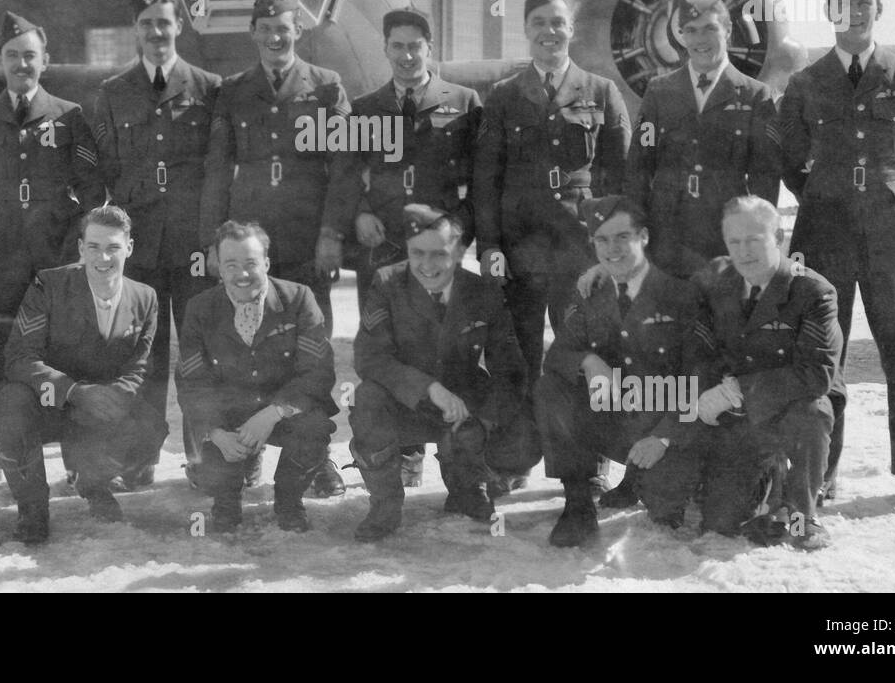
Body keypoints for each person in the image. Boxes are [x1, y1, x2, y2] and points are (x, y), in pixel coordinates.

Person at [777, 0, 895, 516]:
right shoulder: (804, 83)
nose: (854, 14)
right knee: (827, 355)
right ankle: (823, 471)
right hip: (824, 234)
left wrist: (886, 198)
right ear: (830, 12)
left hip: (889, 235)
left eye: (864, 4)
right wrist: (828, 197)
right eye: (843, 5)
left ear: (879, 9)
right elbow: (789, 161)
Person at [200, 0, 355, 496]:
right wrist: (211, 241)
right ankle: (246, 451)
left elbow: (344, 169)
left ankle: (318, 454)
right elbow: (217, 169)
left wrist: (332, 233)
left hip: (306, 238)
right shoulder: (233, 90)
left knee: (312, 346)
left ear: (298, 30)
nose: (274, 37)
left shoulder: (326, 88)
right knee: (246, 341)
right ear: (253, 34)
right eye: (265, 29)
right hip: (249, 245)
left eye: (283, 28)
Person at [0, 11, 104, 487]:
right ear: (0, 61)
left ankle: (81, 465)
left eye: (30, 56)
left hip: (55, 266)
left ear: (46, 61)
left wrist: (68, 250)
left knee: (64, 360)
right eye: (13, 56)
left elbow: (93, 191)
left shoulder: (70, 117)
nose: (22, 65)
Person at [646, 196, 842, 550]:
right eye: (734, 242)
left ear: (778, 237)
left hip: (791, 413)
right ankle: (766, 480)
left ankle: (801, 514)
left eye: (754, 239)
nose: (744, 251)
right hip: (739, 421)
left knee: (812, 412)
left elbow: (817, 373)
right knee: (718, 520)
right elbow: (696, 351)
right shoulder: (717, 283)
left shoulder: (812, 291)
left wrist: (737, 389)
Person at [343, 7, 482, 486]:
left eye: (414, 46)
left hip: (439, 253)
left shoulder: (463, 102)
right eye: (397, 46)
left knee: (443, 345)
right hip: (383, 249)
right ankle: (402, 452)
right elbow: (346, 174)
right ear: (385, 49)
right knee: (388, 348)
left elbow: (478, 180)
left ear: (430, 48)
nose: (406, 55)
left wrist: (459, 233)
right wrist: (359, 212)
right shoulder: (363, 109)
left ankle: (453, 450)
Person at [473, 0, 630, 389]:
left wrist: (611, 247)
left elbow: (621, 178)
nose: (549, 32)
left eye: (558, 22)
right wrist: (489, 246)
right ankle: (523, 447)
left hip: (579, 246)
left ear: (571, 30)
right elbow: (485, 180)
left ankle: (585, 448)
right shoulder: (503, 96)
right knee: (516, 357)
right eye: (539, 23)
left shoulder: (601, 91)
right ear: (525, 30)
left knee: (586, 349)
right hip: (519, 247)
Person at [93, 0, 221, 487]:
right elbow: (104, 172)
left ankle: (204, 457)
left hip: (192, 245)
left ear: (179, 25)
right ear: (136, 30)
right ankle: (139, 457)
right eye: (146, 24)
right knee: (140, 356)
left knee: (198, 352)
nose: (156, 32)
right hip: (140, 247)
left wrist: (212, 240)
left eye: (164, 22)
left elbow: (218, 170)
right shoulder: (112, 92)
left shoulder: (209, 88)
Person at [349, 205, 536, 542]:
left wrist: (486, 423)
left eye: (439, 254)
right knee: (367, 398)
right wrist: (427, 388)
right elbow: (370, 357)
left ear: (461, 251)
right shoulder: (387, 283)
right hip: (404, 401)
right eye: (417, 253)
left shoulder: (483, 292)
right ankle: (385, 504)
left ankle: (469, 486)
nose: (427, 265)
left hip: (462, 404)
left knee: (523, 427)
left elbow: (510, 369)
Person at [0, 206, 167, 543]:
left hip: (97, 408)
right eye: (94, 247)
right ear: (80, 249)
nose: (103, 257)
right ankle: (32, 509)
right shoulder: (49, 285)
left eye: (113, 247)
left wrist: (118, 394)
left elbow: (139, 364)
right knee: (11, 401)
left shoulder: (145, 298)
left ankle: (93, 482)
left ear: (129, 248)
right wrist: (72, 391)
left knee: (151, 428)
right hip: (51, 403)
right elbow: (19, 357)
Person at [534, 196, 700, 547]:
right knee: (553, 387)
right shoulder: (590, 292)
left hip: (663, 426)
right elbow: (558, 356)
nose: (612, 249)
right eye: (602, 240)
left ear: (644, 237)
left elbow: (701, 377)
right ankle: (578, 503)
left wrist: (665, 437)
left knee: (667, 508)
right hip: (618, 417)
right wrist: (588, 362)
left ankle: (668, 480)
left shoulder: (679, 295)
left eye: (622, 237)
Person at [175, 221, 338, 532]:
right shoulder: (199, 308)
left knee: (314, 427)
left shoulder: (299, 299)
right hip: (228, 412)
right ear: (219, 268)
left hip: (283, 411)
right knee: (213, 466)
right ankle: (225, 500)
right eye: (231, 264)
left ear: (266, 262)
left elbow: (318, 372)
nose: (242, 274)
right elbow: (192, 382)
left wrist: (274, 412)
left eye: (251, 263)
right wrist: (216, 433)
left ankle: (289, 501)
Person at [623, 0, 781, 277]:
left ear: (728, 31)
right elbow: (638, 165)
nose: (700, 40)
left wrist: (757, 238)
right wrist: (637, 230)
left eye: (710, 28)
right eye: (691, 31)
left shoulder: (755, 96)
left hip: (727, 235)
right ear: (682, 36)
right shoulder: (659, 92)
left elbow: (765, 176)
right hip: (667, 235)